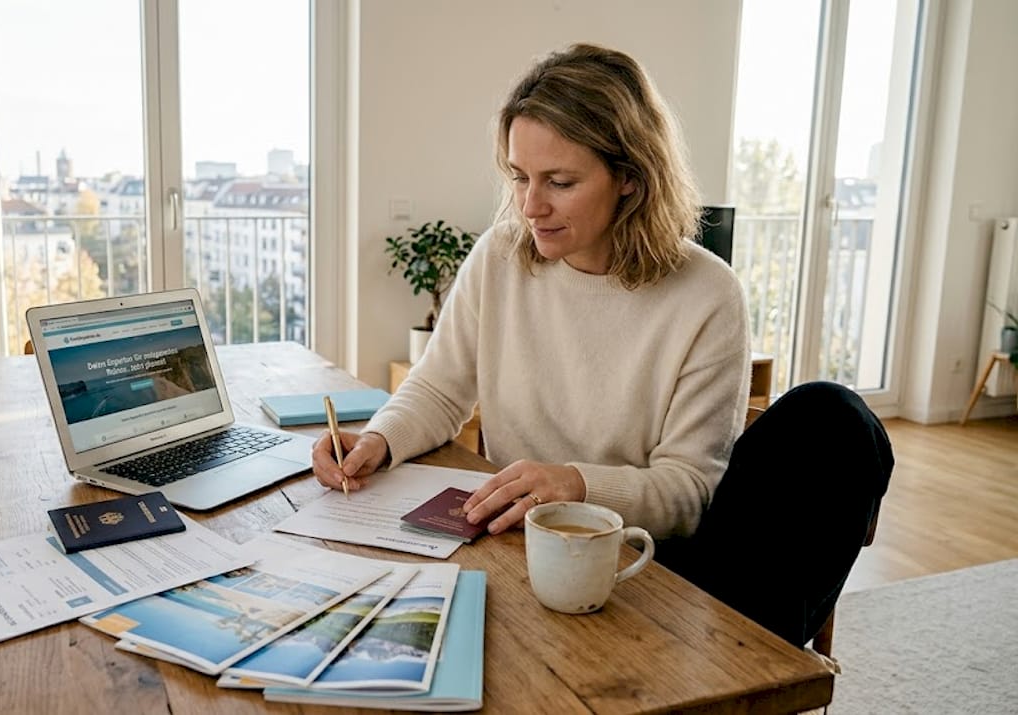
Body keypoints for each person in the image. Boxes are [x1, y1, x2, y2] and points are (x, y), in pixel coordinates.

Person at [312, 43, 892, 648]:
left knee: (833, 415)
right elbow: (438, 387)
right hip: (524, 550)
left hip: (648, 560)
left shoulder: (707, 295)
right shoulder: (500, 257)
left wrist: (578, 485)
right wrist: (378, 439)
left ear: (631, 182)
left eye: (559, 182)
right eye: (519, 177)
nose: (530, 207)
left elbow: (690, 493)